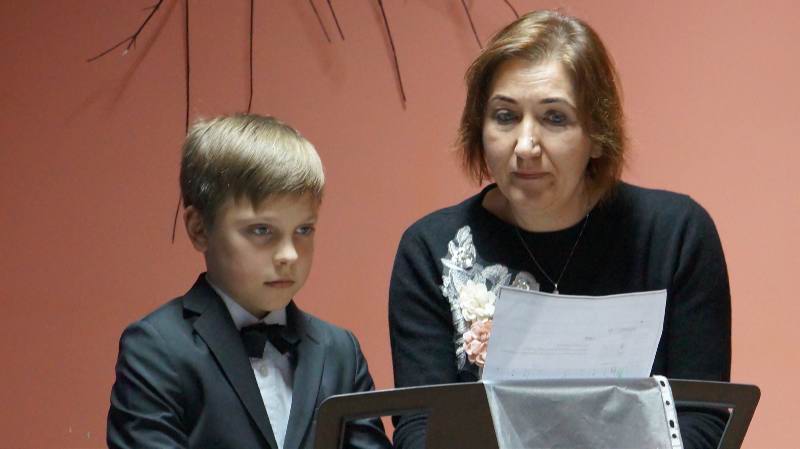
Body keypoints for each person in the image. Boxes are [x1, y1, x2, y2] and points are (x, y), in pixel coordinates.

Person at [389, 10, 730, 449]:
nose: (525, 146)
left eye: (554, 118)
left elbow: (701, 422)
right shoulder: (431, 248)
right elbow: (419, 430)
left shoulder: (675, 235)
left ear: (598, 135)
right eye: (505, 116)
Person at [108, 114, 392, 449]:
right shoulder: (156, 349)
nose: (289, 254)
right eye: (261, 230)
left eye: (303, 230)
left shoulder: (341, 351)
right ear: (199, 229)